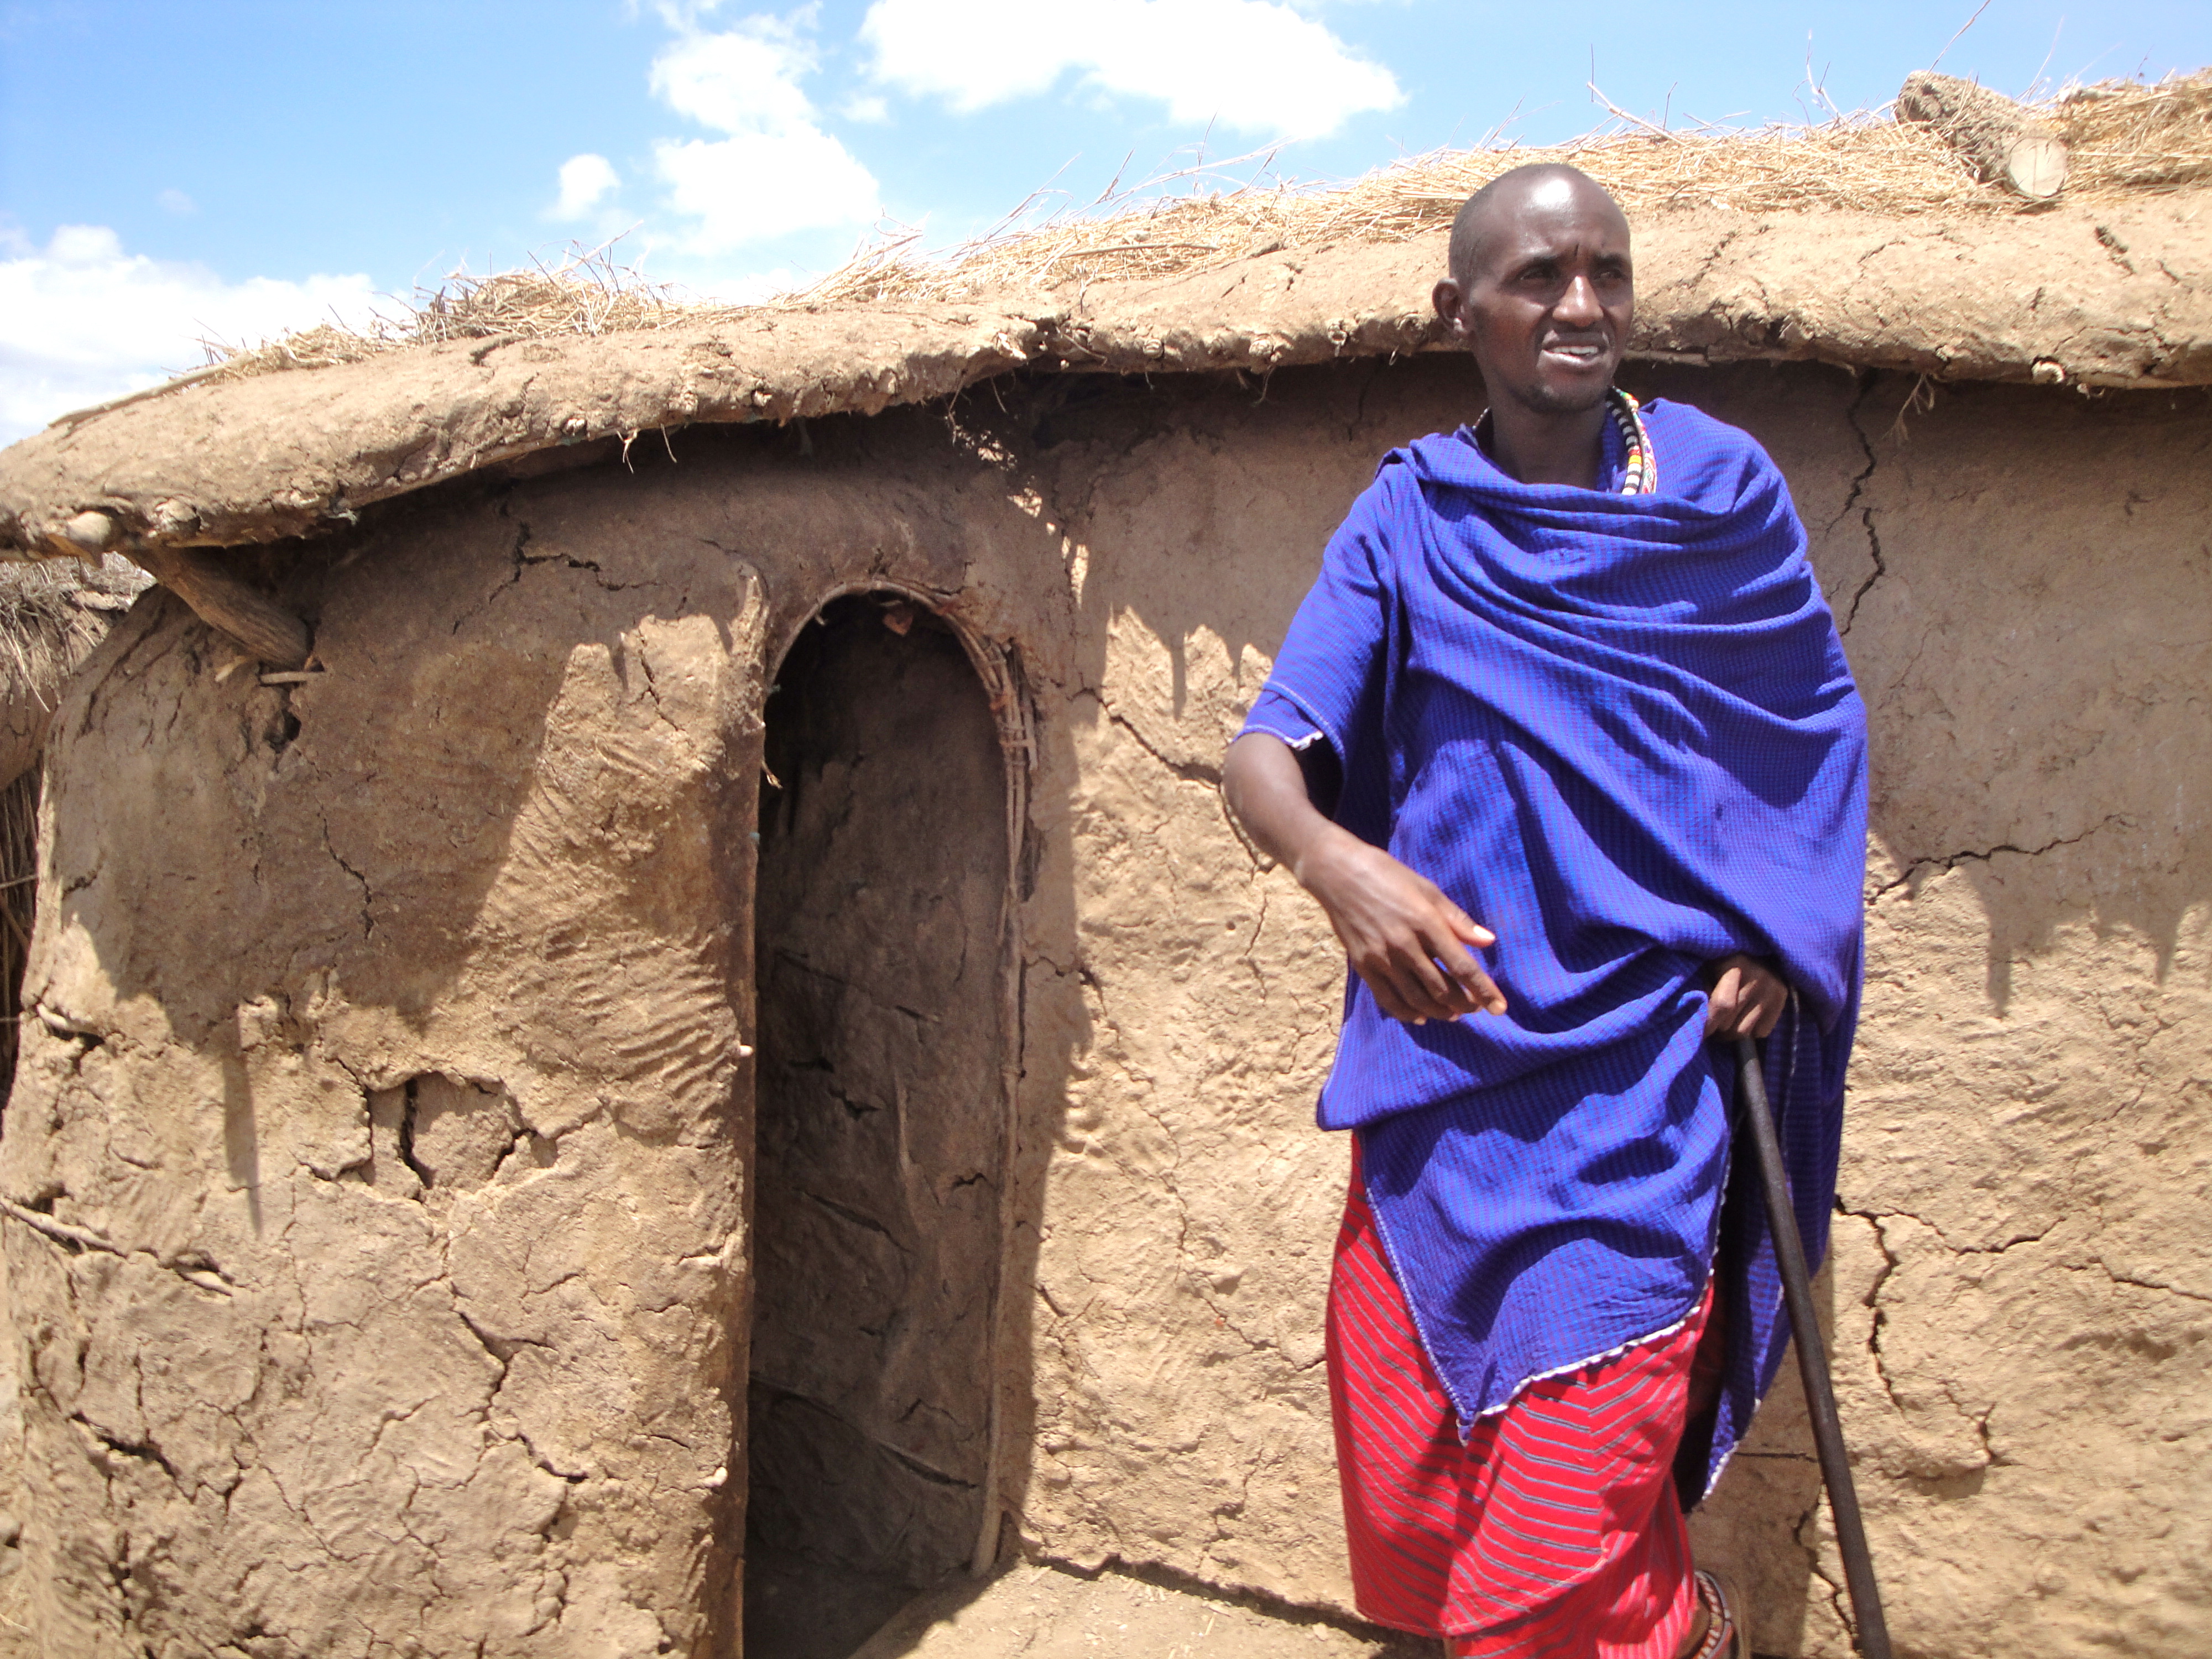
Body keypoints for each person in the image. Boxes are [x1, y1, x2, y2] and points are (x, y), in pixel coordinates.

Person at [1222, 164, 1868, 1659]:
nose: (1582, 306)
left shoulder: (1716, 492)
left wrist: (1781, 932)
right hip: (1446, 1086)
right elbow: (1264, 755)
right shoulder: (1410, 518)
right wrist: (1335, 864)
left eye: (1607, 273)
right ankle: (1675, 1629)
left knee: (1556, 1543)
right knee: (1428, 1508)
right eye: (1538, 278)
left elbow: (1808, 734)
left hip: (1645, 1099)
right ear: (1458, 310)